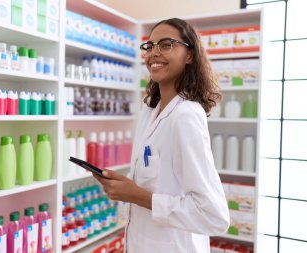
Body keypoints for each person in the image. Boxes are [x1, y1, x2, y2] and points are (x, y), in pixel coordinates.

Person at [93, 18, 230, 252]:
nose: (154, 53)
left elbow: (213, 215)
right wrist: (125, 186)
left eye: (166, 45)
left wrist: (137, 195)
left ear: (189, 55)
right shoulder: (150, 111)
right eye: (150, 46)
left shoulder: (185, 115)